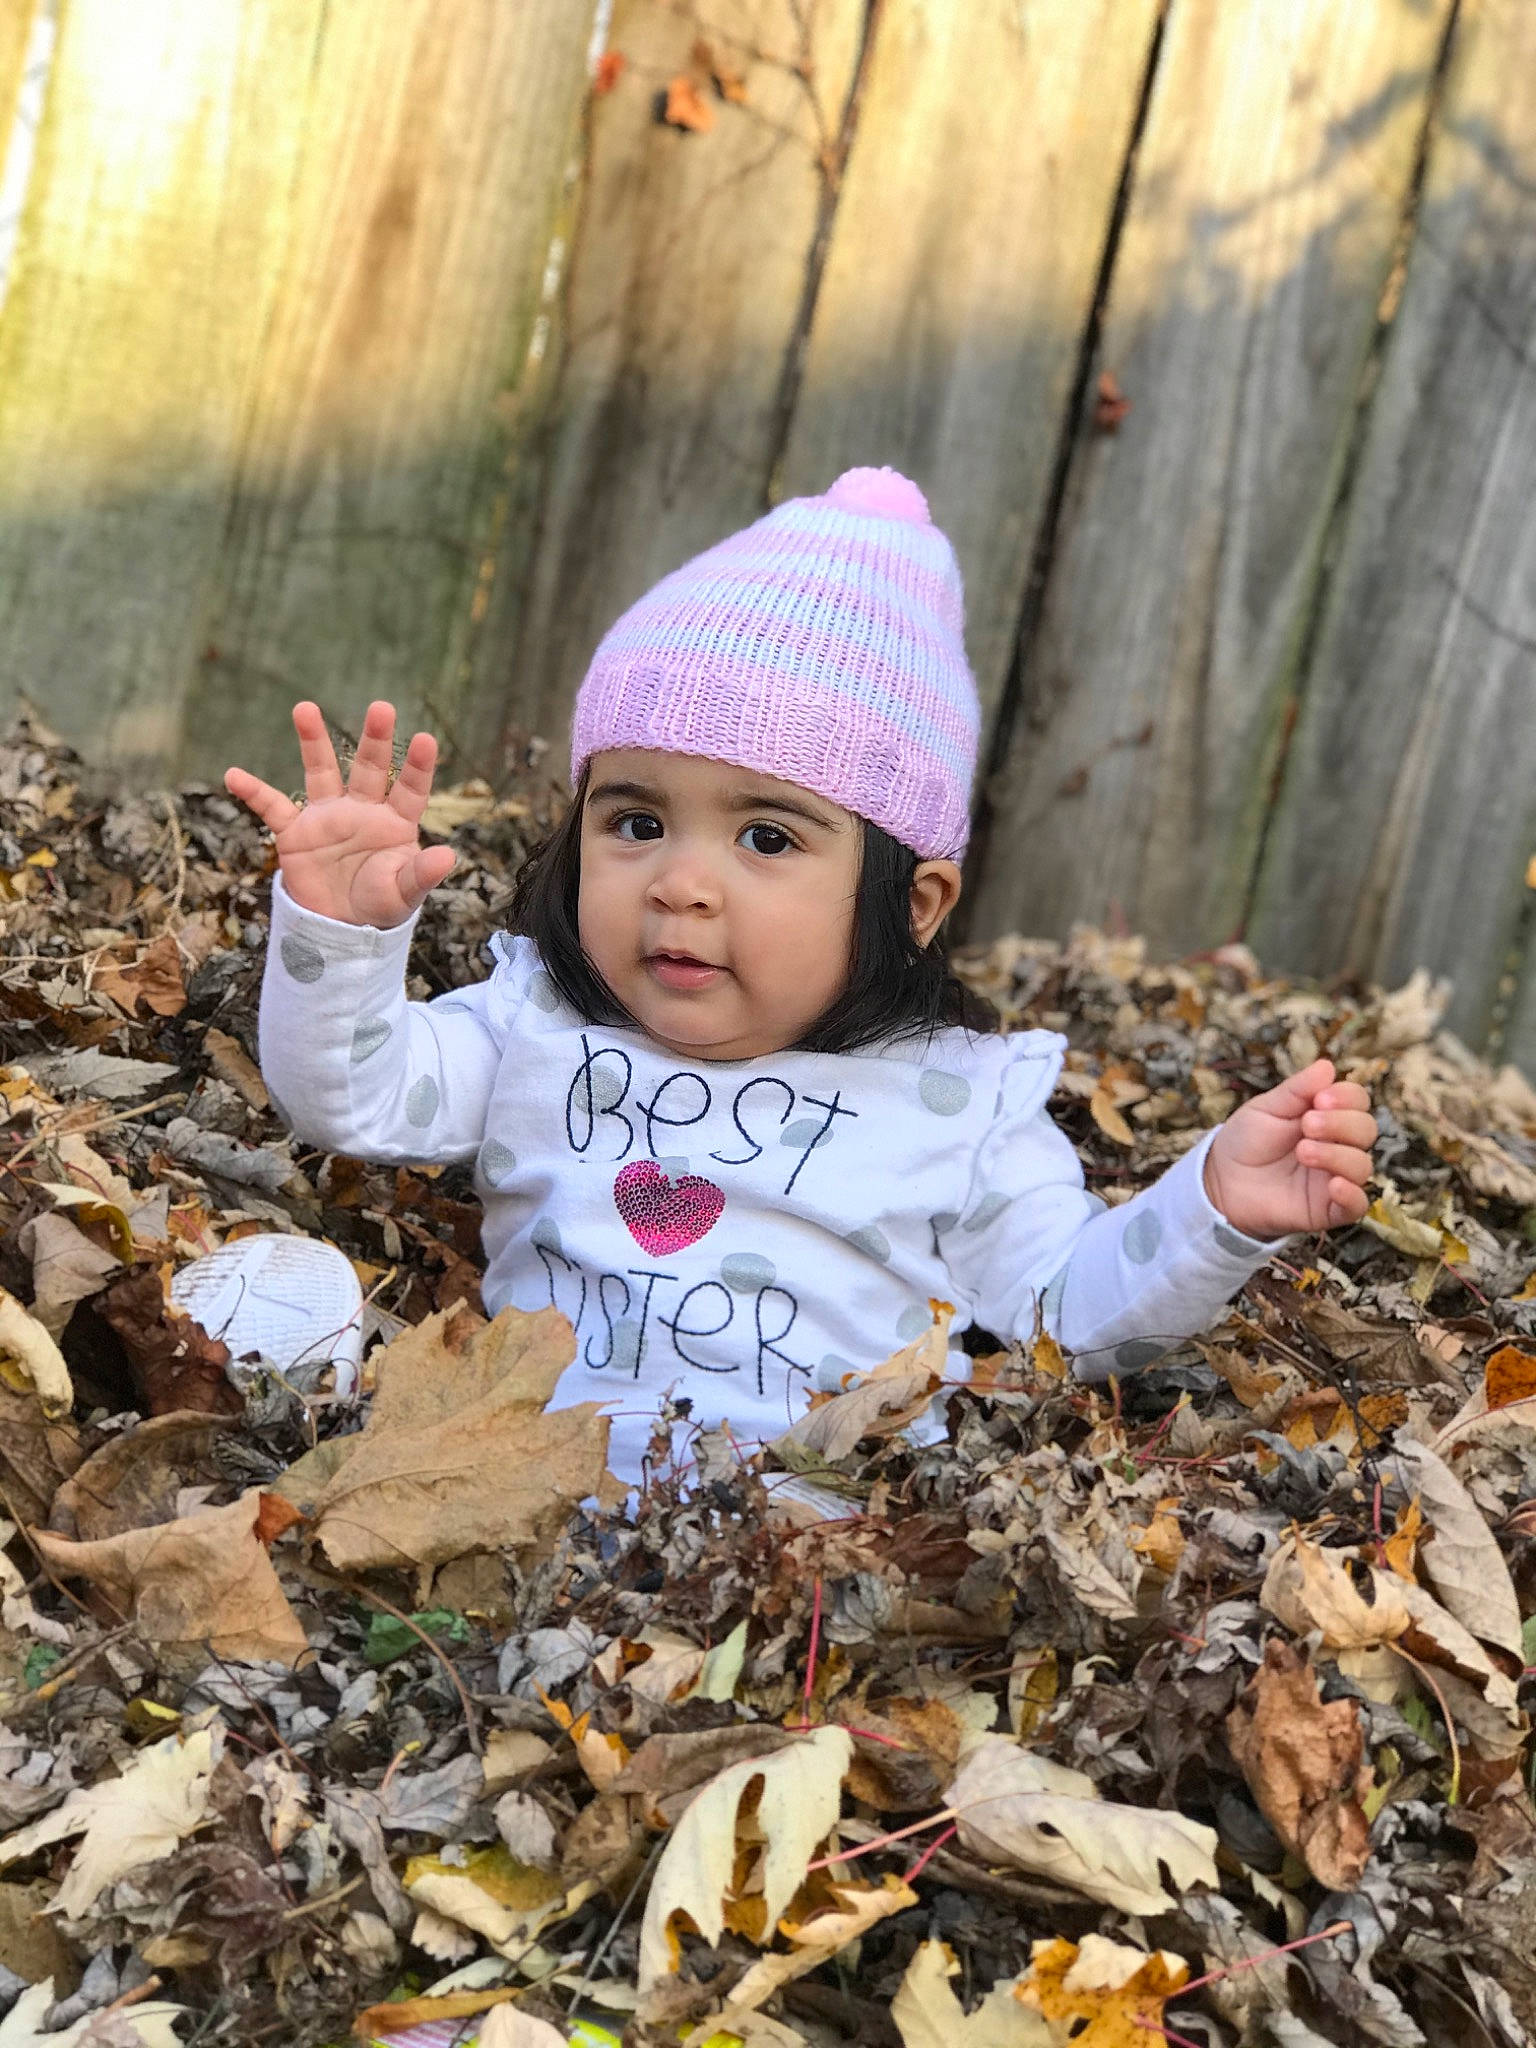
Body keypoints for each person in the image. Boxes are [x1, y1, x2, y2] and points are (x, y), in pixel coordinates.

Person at [227, 467, 1377, 1486]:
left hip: (800, 1539)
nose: (682, 881)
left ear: (912, 902)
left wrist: (1214, 1208)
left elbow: (1058, 1312)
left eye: (767, 839)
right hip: (513, 1489)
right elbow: (354, 1097)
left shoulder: (955, 1102)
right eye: (635, 820)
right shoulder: (539, 1020)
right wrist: (338, 933)